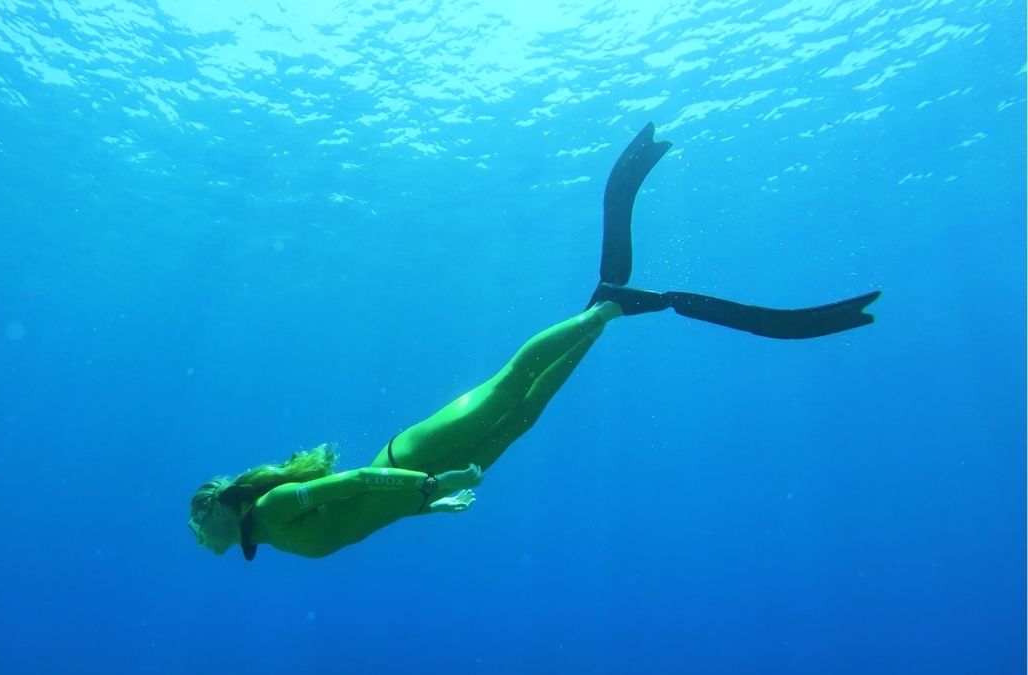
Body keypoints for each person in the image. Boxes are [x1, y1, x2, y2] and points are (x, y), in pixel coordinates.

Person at [187, 122, 881, 561]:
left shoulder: (274, 512)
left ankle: (602, 310)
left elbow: (363, 481)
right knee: (525, 413)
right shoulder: (273, 534)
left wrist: (426, 482)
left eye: (198, 527)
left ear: (223, 507)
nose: (199, 541)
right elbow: (368, 514)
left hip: (412, 455)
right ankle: (602, 309)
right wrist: (433, 503)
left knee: (509, 386)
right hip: (424, 480)